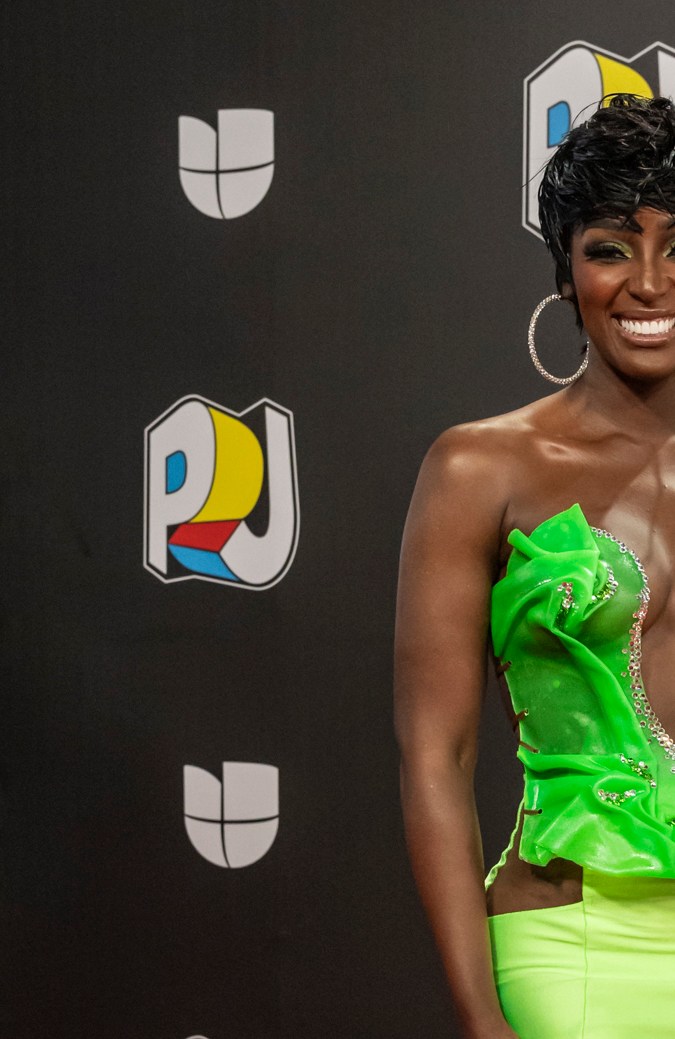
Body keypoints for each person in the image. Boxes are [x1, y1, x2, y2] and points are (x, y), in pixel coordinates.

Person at [394, 93, 675, 1039]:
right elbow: (437, 754)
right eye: (608, 247)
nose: (646, 282)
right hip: (572, 947)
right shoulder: (480, 467)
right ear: (564, 271)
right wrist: (480, 1016)